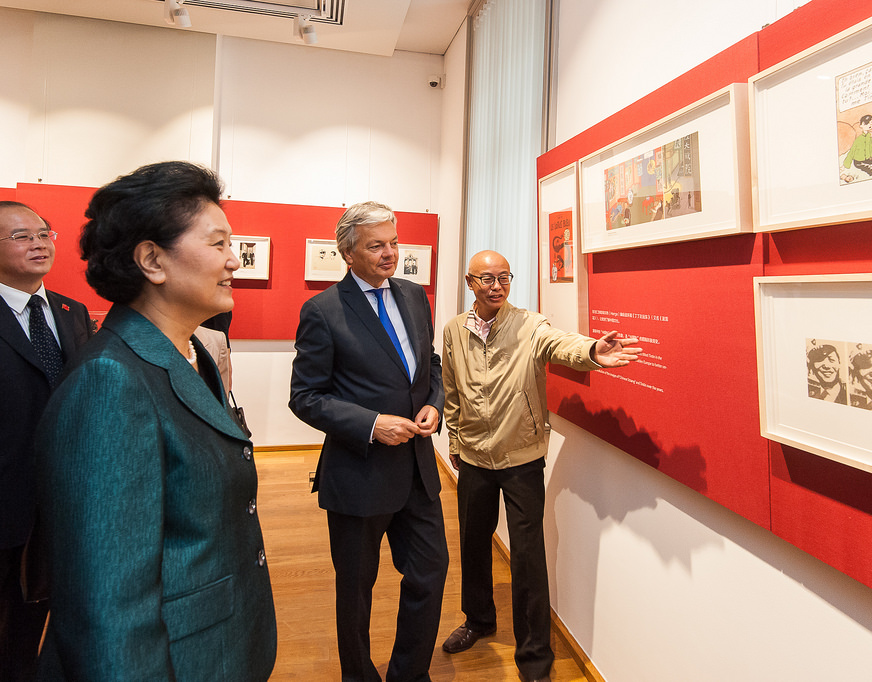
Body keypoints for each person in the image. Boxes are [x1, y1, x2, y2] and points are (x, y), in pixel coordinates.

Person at [34, 161, 276, 680]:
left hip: (217, 646)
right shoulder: (110, 380)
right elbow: (106, 605)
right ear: (152, 259)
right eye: (218, 244)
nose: (234, 261)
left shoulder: (191, 354)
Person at [440, 250, 641, 682]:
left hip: (522, 458)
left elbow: (560, 344)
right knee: (474, 544)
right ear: (471, 283)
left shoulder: (530, 324)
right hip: (474, 455)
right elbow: (451, 389)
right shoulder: (454, 330)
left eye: (505, 277)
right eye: (488, 278)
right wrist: (455, 439)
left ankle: (534, 659)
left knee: (527, 558)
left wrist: (591, 349)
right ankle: (478, 620)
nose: (497, 285)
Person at [289, 201, 447, 682]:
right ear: (347, 253)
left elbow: (431, 364)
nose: (390, 254)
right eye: (376, 245)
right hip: (360, 474)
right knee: (356, 590)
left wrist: (435, 404)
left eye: (394, 242)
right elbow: (305, 397)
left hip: (418, 471)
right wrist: (373, 423)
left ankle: (408, 674)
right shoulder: (322, 311)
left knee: (430, 573)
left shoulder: (414, 295)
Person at [0, 202, 91, 681]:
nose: (39, 243)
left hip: (60, 498)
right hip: (6, 496)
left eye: (44, 233)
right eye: (21, 237)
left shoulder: (69, 310)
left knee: (39, 613)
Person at [840, 114, 872, 181]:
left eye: (871, 123)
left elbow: (870, 146)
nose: (870, 125)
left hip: (867, 157)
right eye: (867, 123)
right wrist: (845, 165)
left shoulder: (869, 136)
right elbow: (852, 152)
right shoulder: (859, 139)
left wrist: (870, 155)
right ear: (861, 125)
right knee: (866, 166)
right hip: (858, 161)